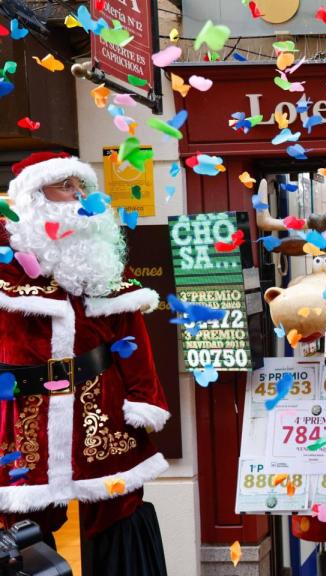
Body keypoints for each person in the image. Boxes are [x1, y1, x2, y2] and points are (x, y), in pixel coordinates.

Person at [0, 151, 170, 574]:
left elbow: (131, 335)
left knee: (117, 510)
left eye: (82, 187)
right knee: (21, 522)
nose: (79, 197)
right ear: (35, 198)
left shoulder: (99, 256)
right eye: (66, 187)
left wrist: (144, 398)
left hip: (100, 409)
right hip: (21, 413)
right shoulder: (5, 261)